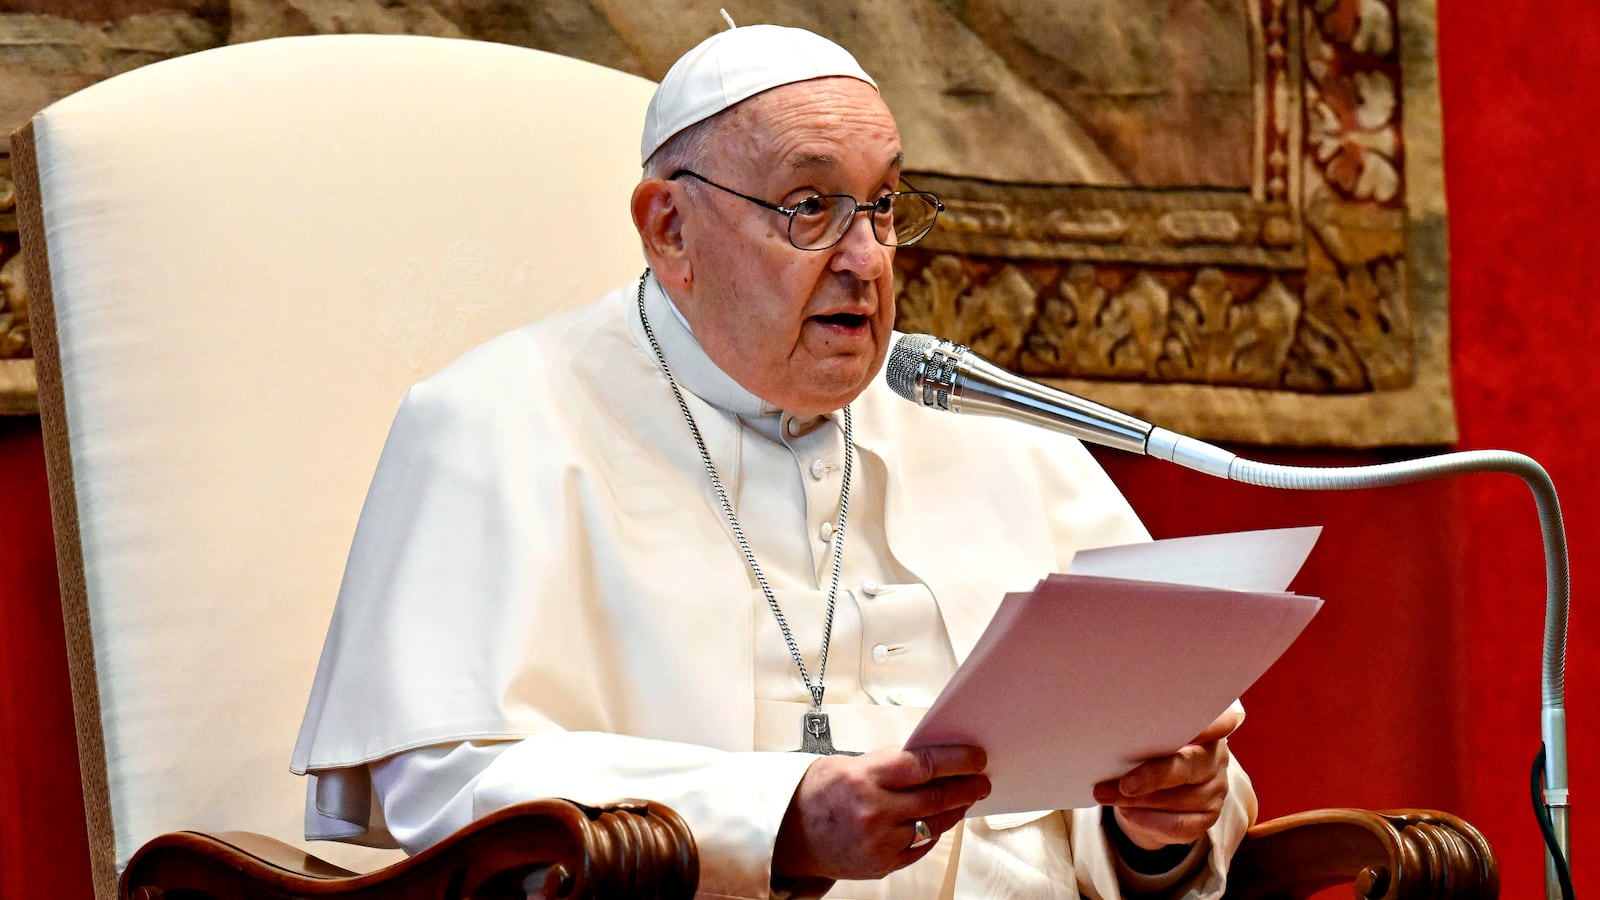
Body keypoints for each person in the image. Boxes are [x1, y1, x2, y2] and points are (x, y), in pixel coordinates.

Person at [292, 23, 1255, 900]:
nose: (867, 259)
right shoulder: (491, 420)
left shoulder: (982, 419)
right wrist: (782, 819)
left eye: (881, 205)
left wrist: (1152, 827)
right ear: (671, 230)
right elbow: (450, 785)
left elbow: (1177, 756)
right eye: (808, 207)